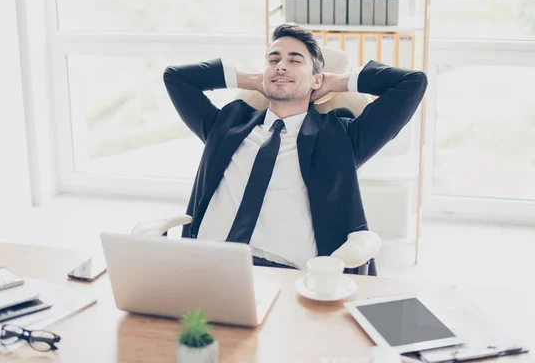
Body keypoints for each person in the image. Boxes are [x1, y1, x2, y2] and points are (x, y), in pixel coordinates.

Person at [163, 24, 427, 271]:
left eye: (295, 60)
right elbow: (175, 78)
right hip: (207, 265)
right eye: (273, 59)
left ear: (316, 80)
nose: (281, 66)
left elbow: (412, 82)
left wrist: (336, 82)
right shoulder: (227, 123)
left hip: (290, 275)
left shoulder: (340, 137)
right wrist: (253, 80)